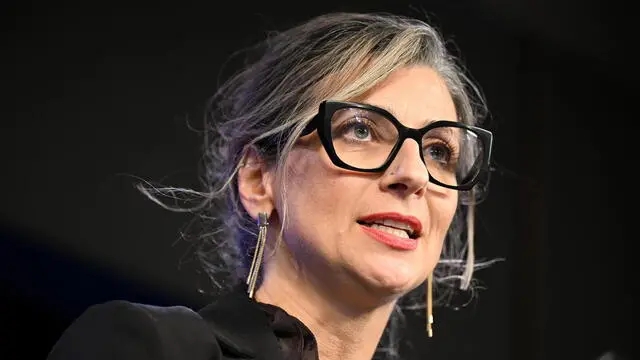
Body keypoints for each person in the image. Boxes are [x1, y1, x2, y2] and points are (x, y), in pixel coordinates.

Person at [46, 11, 494, 360]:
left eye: (438, 151)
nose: (413, 174)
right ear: (259, 180)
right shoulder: (152, 348)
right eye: (361, 130)